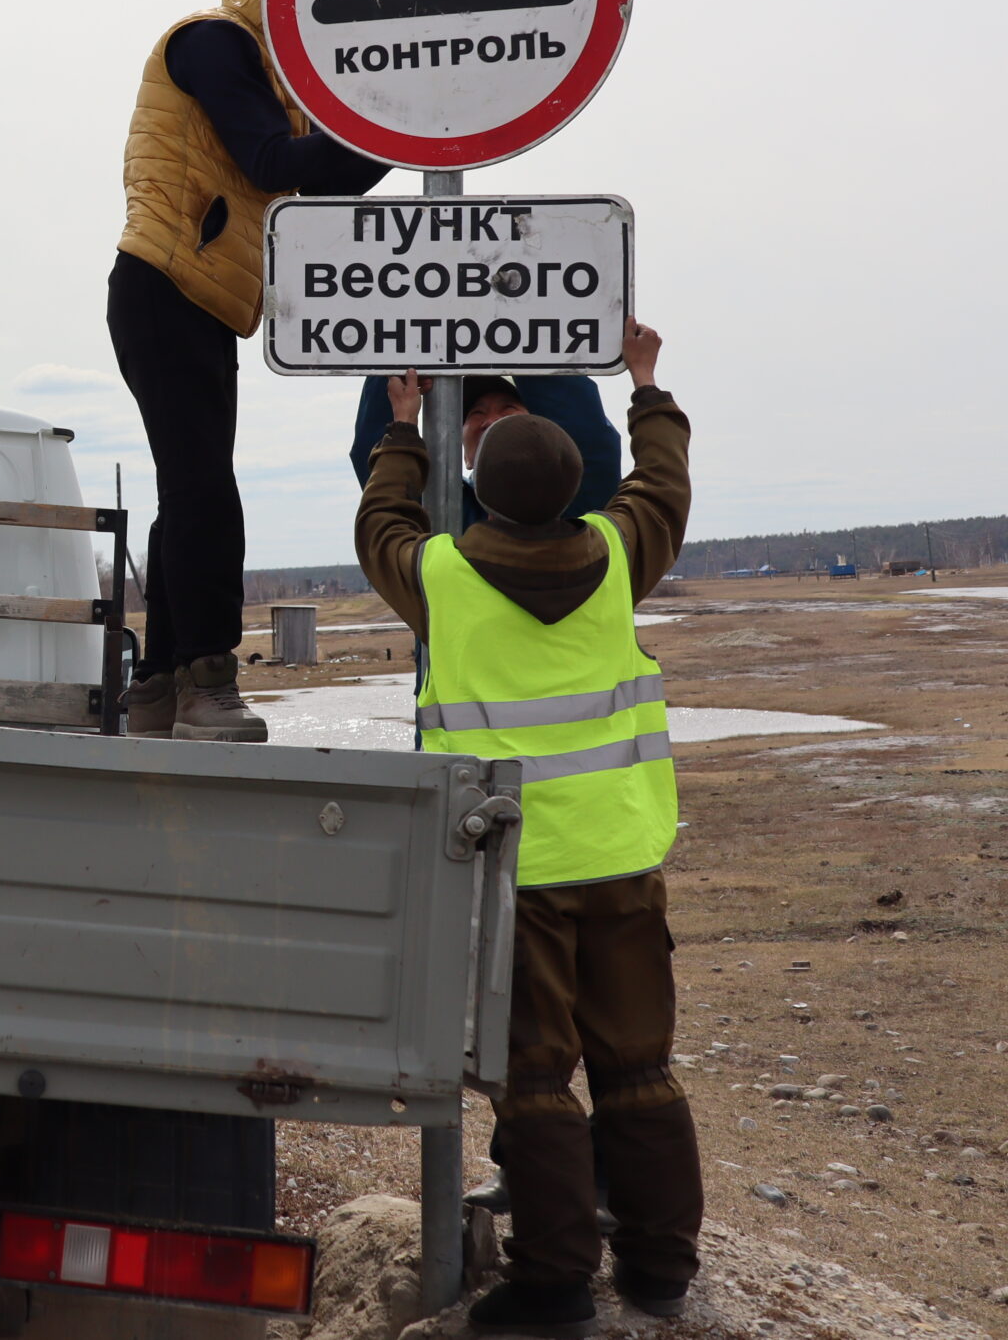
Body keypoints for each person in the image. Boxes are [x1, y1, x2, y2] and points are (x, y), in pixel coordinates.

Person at [354, 322, 698, 1334]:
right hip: (623, 856)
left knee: (536, 1078)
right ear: (571, 486)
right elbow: (662, 483)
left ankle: (552, 1281)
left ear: (482, 491)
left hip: (517, 873)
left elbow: (380, 521)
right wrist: (644, 383)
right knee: (639, 1066)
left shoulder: (442, 581)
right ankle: (659, 1270)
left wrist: (403, 425)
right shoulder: (616, 552)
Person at [111, 0, 390, 739]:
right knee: (205, 493)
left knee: (186, 491)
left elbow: (321, 179)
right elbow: (272, 163)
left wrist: (400, 128)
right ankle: (208, 682)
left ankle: (157, 684)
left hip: (199, 301)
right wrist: (389, 129)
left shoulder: (274, 85)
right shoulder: (214, 42)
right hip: (164, 283)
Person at [348, 375, 622, 522]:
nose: (490, 421)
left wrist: (524, 336)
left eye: (509, 408)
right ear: (466, 456)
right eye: (476, 412)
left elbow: (592, 444)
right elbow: (379, 469)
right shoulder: (432, 515)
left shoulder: (580, 508)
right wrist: (395, 360)